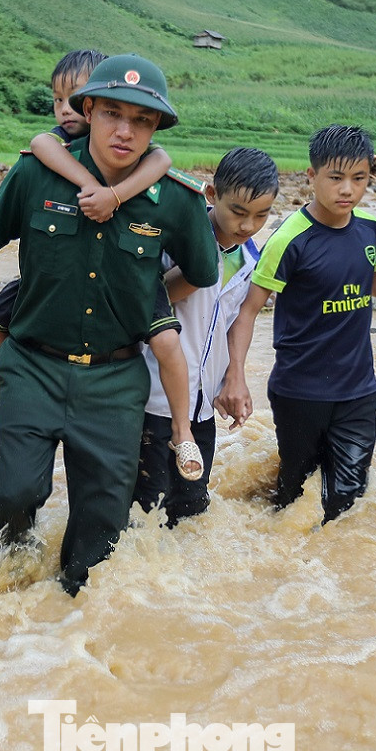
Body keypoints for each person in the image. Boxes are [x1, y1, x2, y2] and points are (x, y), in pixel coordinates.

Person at [0, 53, 219, 595]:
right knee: (15, 493)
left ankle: (71, 610)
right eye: (112, 114)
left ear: (156, 127)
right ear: (90, 110)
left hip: (115, 382)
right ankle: (4, 594)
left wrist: (143, 302)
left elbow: (201, 272)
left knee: (101, 523)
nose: (125, 131)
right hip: (31, 367)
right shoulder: (36, 173)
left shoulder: (175, 198)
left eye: (141, 120)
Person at [219, 125, 376, 523]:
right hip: (299, 392)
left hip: (358, 391)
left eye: (359, 178)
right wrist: (236, 377)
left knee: (348, 500)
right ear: (312, 176)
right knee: (294, 496)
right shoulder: (290, 238)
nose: (347, 190)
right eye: (336, 178)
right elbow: (248, 311)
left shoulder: (368, 228)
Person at [0, 49, 180, 444]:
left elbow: (161, 160)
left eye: (74, 97)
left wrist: (115, 196)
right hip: (53, 288)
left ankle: (182, 430)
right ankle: (5, 398)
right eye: (58, 99)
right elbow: (40, 144)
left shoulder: (135, 149)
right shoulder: (56, 145)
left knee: (165, 337)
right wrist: (90, 184)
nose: (66, 109)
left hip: (122, 292)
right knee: (1, 313)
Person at [133, 146, 280, 526]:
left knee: (192, 507)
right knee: (144, 511)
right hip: (152, 400)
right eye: (239, 212)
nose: (248, 225)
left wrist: (235, 377)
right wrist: (195, 271)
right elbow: (145, 297)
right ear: (212, 194)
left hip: (201, 406)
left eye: (261, 215)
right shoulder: (175, 240)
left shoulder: (249, 258)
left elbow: (236, 321)